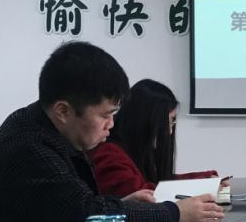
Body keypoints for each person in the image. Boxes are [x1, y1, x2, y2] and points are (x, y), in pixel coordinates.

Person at [0, 41, 224, 222]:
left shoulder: (43, 130)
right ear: (63, 111)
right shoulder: (29, 146)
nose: (111, 125)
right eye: (105, 115)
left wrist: (122, 204)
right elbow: (86, 216)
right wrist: (176, 213)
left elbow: (77, 207)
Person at [89, 79, 220, 197]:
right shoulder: (109, 154)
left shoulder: (131, 150)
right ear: (146, 121)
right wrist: (204, 187)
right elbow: (146, 195)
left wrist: (206, 180)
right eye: (169, 122)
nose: (170, 131)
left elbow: (161, 183)